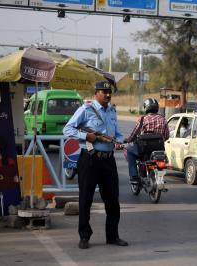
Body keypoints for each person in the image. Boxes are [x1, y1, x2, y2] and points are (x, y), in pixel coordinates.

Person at [63, 81, 127, 250]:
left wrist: (119, 142)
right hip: (89, 160)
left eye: (109, 92)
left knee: (113, 200)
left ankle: (112, 236)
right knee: (86, 199)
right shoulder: (86, 109)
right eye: (104, 91)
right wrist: (86, 137)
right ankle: (84, 236)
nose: (107, 94)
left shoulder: (112, 111)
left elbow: (117, 133)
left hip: (108, 160)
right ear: (96, 93)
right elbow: (67, 129)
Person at [124, 98, 169, 184]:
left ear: (146, 108)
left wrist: (128, 140)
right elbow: (166, 136)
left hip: (143, 150)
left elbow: (134, 134)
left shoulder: (143, 119)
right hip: (159, 149)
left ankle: (134, 176)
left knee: (129, 150)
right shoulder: (163, 119)